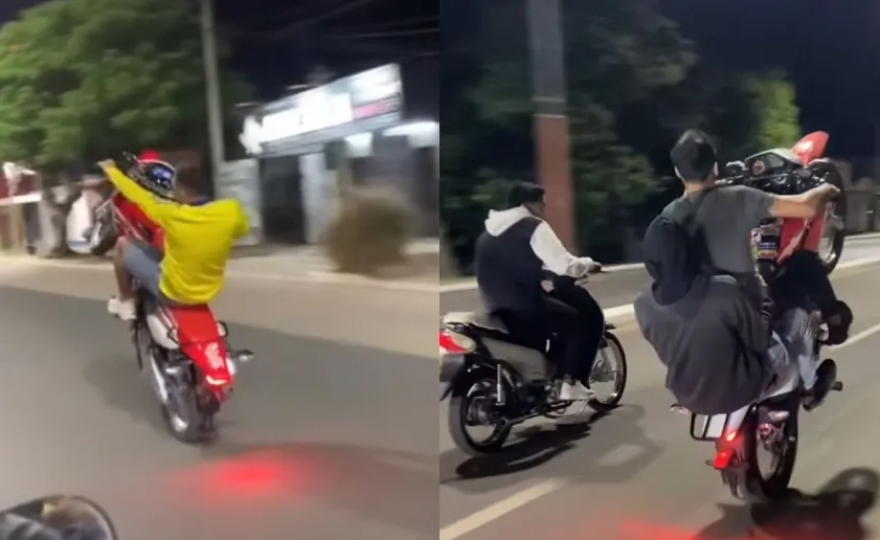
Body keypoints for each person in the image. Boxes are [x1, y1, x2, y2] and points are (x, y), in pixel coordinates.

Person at [634, 129, 841, 415]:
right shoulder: (739, 198)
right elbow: (806, 207)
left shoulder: (669, 218)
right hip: (742, 313)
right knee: (798, 311)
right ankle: (810, 384)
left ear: (678, 172)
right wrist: (826, 190)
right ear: (715, 168)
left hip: (697, 339)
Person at [474, 181, 604, 401]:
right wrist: (588, 264)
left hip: (493, 306)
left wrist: (543, 273)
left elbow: (510, 267)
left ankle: (544, 378)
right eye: (542, 203)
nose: (544, 208)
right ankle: (570, 383)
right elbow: (564, 265)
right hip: (525, 306)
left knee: (554, 316)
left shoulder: (488, 232)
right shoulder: (533, 226)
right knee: (577, 322)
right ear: (528, 204)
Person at [98, 159, 250, 321]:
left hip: (174, 294)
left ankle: (125, 301)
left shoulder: (172, 214)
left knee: (123, 244)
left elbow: (137, 194)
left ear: (182, 191)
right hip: (209, 292)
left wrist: (111, 170)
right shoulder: (231, 210)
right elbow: (242, 231)